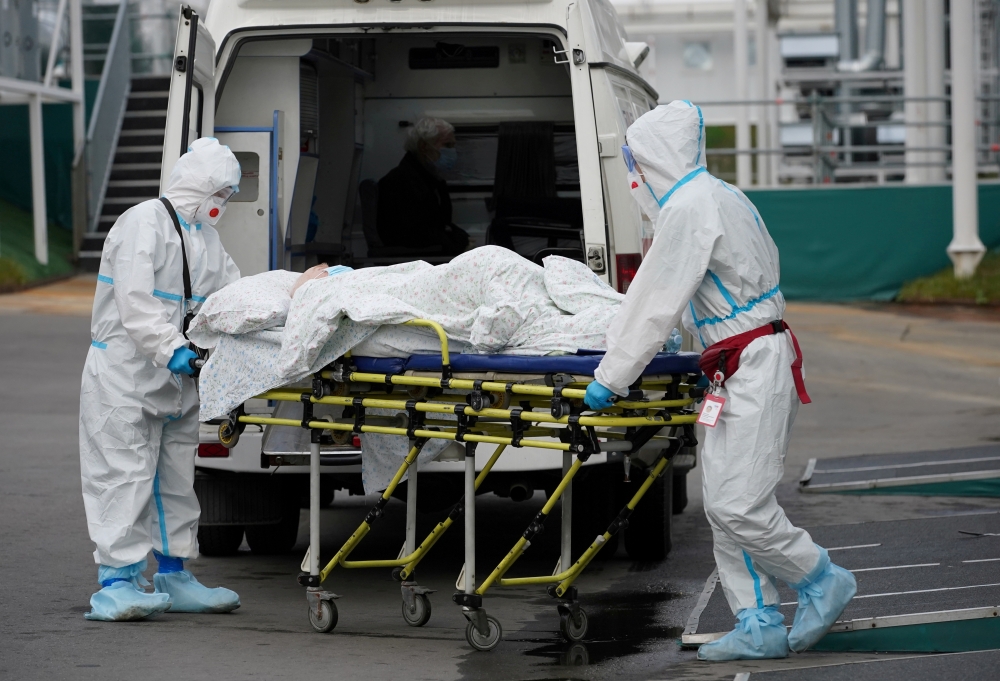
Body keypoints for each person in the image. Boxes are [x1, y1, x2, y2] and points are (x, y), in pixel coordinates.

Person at [584, 101, 856, 661]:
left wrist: (612, 374)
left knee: (740, 504)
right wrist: (681, 337)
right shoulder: (724, 195)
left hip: (750, 364)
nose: (634, 177)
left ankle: (821, 577)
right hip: (739, 362)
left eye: (635, 164)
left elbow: (653, 300)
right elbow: (713, 289)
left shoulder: (687, 207)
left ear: (652, 159)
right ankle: (755, 621)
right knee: (722, 503)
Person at [80, 137, 244, 621]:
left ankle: (174, 573)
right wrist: (176, 351)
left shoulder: (204, 238)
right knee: (123, 477)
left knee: (175, 478)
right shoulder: (142, 223)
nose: (224, 206)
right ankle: (117, 582)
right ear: (201, 186)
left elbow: (230, 293)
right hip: (126, 378)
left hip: (176, 380)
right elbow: (136, 305)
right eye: (223, 194)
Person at [377, 117, 469, 254]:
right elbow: (415, 235)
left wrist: (462, 239)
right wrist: (459, 245)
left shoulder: (434, 180)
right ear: (424, 147)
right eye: (447, 146)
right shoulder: (398, 183)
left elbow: (443, 225)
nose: (452, 152)